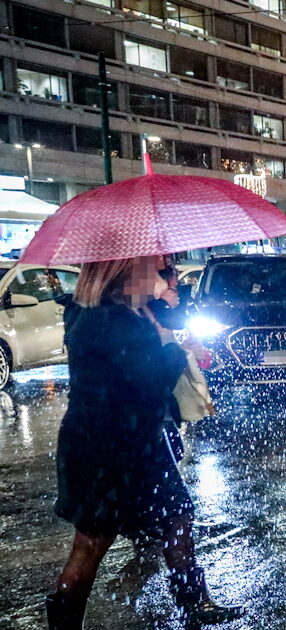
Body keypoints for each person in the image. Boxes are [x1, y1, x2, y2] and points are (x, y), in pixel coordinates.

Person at [47, 256, 243, 629]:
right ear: (125, 273)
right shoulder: (105, 320)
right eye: (150, 270)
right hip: (105, 449)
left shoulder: (123, 313)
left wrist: (164, 321)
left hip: (137, 441)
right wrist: (173, 349)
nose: (158, 276)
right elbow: (149, 382)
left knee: (177, 515)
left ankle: (194, 603)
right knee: (92, 543)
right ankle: (63, 623)